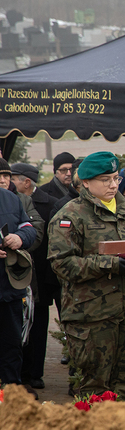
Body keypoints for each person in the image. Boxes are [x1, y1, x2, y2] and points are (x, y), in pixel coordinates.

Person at [48, 152, 125, 399]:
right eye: (105, 180)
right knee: (95, 390)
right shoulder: (70, 215)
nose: (113, 185)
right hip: (91, 317)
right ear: (86, 183)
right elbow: (62, 264)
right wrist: (109, 264)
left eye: (116, 178)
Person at [12, 162, 54, 389]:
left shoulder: (23, 201)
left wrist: (19, 243)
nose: (3, 180)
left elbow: (35, 229)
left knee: (25, 330)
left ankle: (25, 378)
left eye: (7, 176)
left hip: (22, 275)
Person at [0, 172, 38, 391]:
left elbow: (28, 227)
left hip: (9, 290)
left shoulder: (11, 199)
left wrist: (20, 238)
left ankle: (11, 398)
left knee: (12, 348)